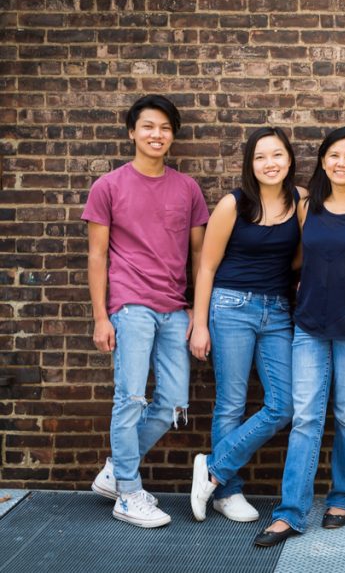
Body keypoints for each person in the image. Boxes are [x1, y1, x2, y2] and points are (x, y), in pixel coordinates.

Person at [254, 127, 345, 548]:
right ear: (322, 161)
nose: (341, 163)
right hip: (310, 326)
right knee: (305, 418)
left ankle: (342, 497)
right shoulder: (306, 207)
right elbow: (299, 257)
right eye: (334, 155)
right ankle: (290, 513)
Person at [83, 94, 209, 528]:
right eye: (149, 127)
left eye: (165, 128)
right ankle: (128, 493)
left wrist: (195, 308)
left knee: (173, 401)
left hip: (175, 308)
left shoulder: (187, 188)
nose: (157, 135)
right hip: (130, 306)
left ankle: (114, 470)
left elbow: (198, 254)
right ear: (132, 132)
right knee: (131, 399)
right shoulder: (109, 186)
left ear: (173, 136)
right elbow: (97, 256)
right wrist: (101, 316)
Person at [188, 127, 303, 524]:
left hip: (278, 312)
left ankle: (214, 469)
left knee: (283, 403)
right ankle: (228, 493)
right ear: (250, 164)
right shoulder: (233, 205)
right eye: (260, 157)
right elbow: (207, 265)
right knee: (231, 403)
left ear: (289, 160)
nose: (269, 163)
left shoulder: (300, 201)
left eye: (277, 155)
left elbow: (301, 258)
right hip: (231, 306)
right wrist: (199, 323)